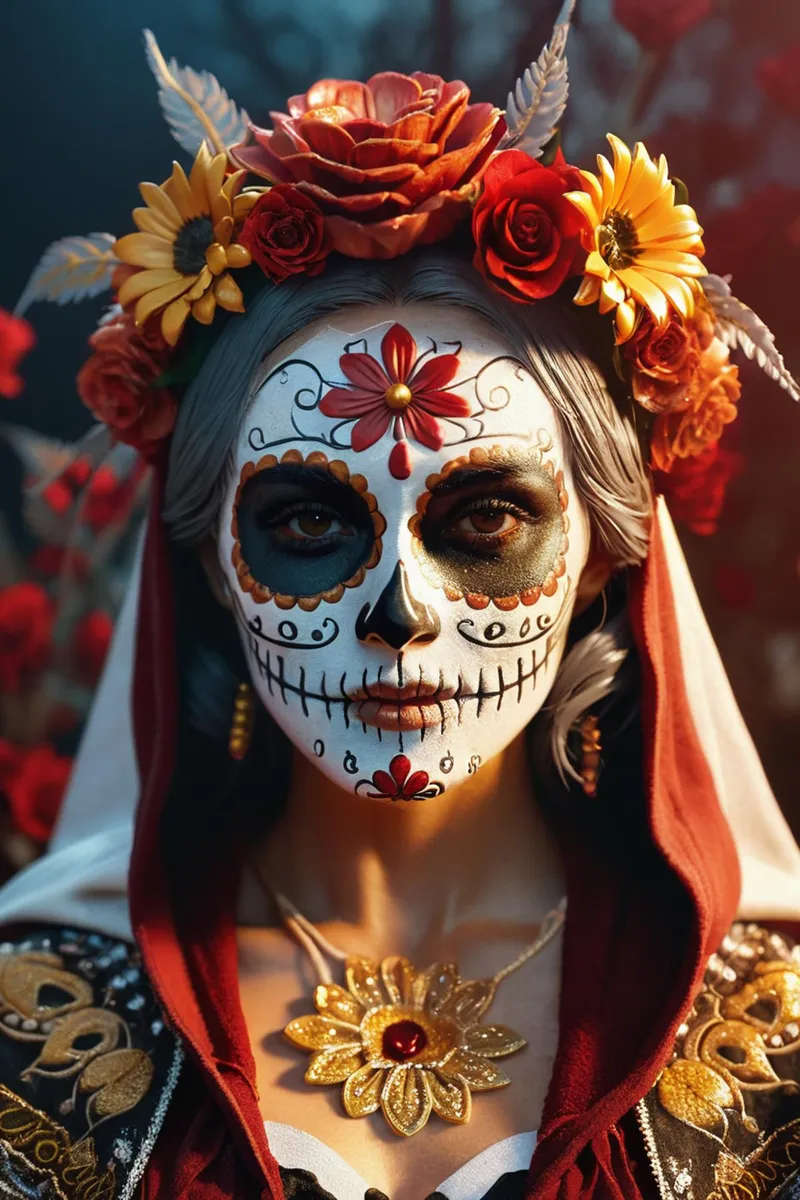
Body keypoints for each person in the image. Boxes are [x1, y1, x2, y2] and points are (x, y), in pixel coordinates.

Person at [2, 12, 800, 1200]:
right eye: (308, 524)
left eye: (483, 519)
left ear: (600, 551)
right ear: (214, 558)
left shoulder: (770, 1042)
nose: (398, 614)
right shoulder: (31, 1028)